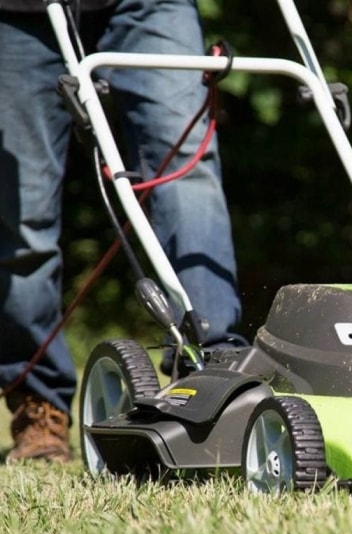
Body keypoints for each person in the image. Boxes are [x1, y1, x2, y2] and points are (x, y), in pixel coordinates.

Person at [0, 0, 242, 463]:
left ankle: (215, 372)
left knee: (185, 172)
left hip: (150, 6)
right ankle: (39, 405)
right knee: (22, 211)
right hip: (19, 11)